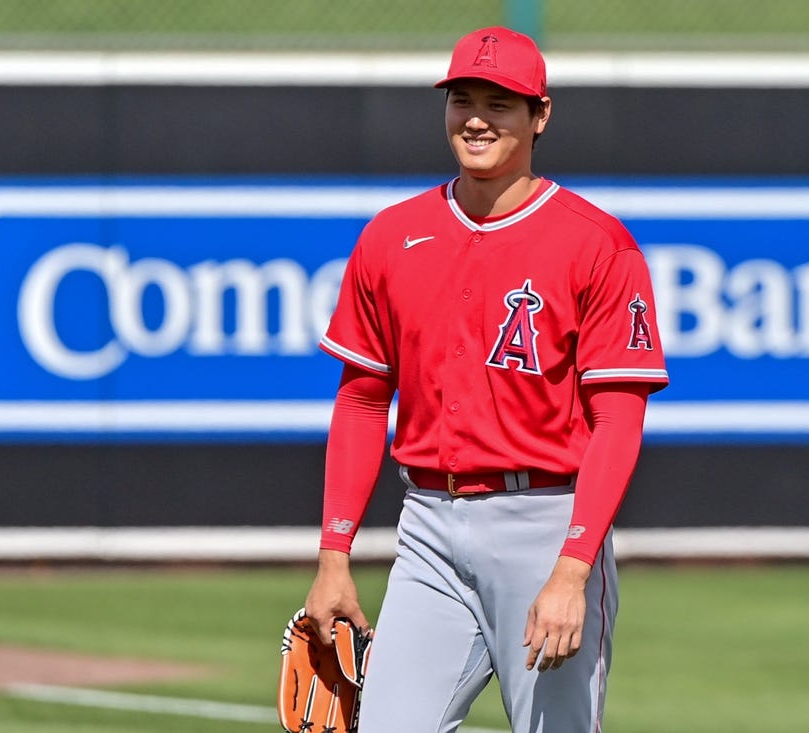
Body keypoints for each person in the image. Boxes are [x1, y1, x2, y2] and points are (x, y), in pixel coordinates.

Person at [304, 25, 669, 732]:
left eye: (500, 103)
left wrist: (573, 568)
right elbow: (361, 398)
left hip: (545, 524)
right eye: (461, 98)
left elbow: (618, 420)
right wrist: (333, 554)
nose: (476, 118)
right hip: (428, 529)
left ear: (540, 116)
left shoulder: (598, 243)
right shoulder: (391, 235)